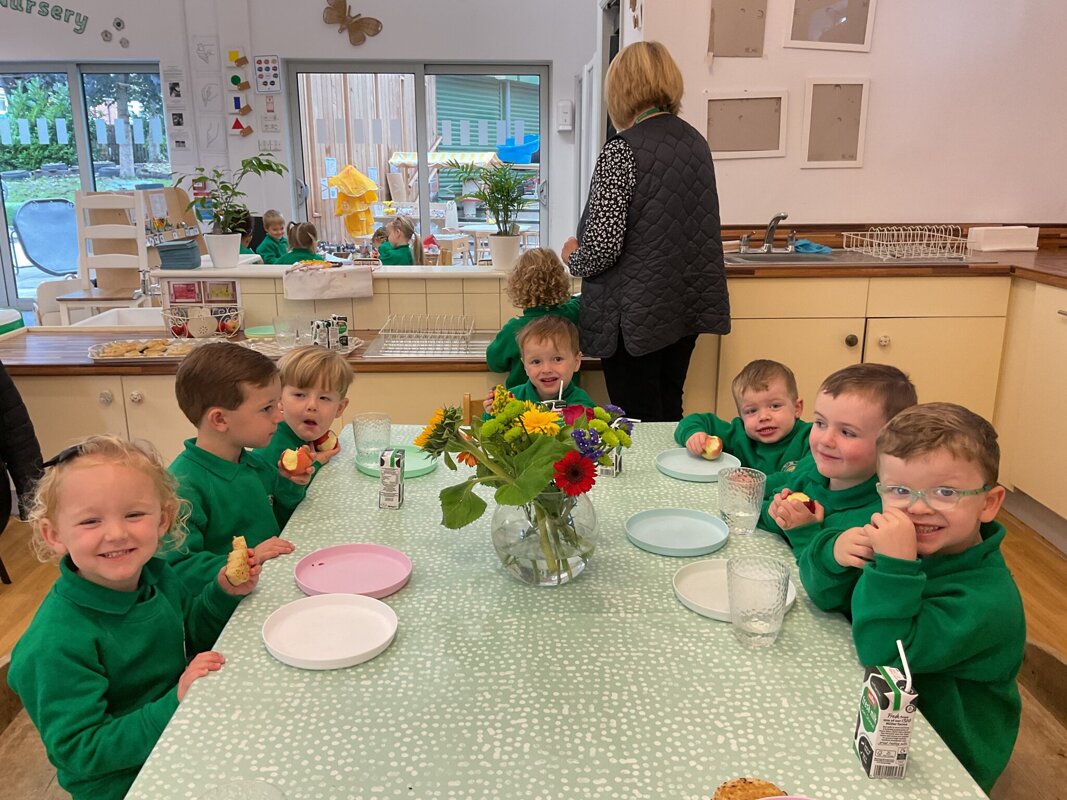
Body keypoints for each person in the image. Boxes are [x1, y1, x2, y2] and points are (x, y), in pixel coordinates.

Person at [8, 435, 259, 800]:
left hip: (181, 731)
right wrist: (176, 702)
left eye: (134, 514)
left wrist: (221, 592)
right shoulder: (54, 643)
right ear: (54, 534)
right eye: (91, 521)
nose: (116, 533)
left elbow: (189, 634)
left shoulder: (157, 576)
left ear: (163, 519)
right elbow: (82, 751)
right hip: (125, 782)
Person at [817, 403, 1023, 793]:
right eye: (898, 490)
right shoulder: (910, 541)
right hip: (880, 729)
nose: (917, 507)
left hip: (943, 764)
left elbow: (884, 654)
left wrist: (894, 567)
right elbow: (826, 594)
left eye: (945, 492)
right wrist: (834, 550)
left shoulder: (988, 602)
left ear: (989, 503)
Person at [561, 41, 729, 422]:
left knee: (633, 417)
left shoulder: (622, 150)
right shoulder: (695, 143)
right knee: (669, 405)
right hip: (684, 306)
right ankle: (672, 481)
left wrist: (572, 254)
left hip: (633, 316)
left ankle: (644, 484)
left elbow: (603, 248)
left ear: (621, 91)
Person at [166, 342, 309, 590]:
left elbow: (283, 524)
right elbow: (179, 568)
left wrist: (290, 484)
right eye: (267, 408)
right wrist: (252, 557)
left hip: (269, 583)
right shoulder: (181, 487)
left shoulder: (254, 463)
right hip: (226, 610)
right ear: (220, 419)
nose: (279, 416)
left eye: (277, 405)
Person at [758, 363, 917, 556]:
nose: (826, 440)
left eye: (847, 432)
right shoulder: (812, 467)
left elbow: (827, 585)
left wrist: (803, 532)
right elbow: (767, 506)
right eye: (820, 423)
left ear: (891, 444)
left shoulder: (877, 518)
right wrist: (776, 511)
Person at [674, 359, 811, 474]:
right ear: (741, 416)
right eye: (751, 411)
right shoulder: (739, 435)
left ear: (797, 408)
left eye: (775, 406)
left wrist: (754, 485)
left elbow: (801, 479)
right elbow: (693, 421)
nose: (763, 417)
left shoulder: (811, 438)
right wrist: (695, 435)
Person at [251, 345, 351, 496]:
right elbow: (284, 509)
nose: (312, 406)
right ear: (279, 399)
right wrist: (316, 463)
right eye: (300, 395)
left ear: (339, 408)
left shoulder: (302, 433)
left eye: (324, 398)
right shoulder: (271, 445)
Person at [486, 247, 581, 390]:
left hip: (522, 406)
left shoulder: (513, 329)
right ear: (561, 280)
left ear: (517, 286)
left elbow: (494, 363)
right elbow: (580, 300)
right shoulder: (573, 313)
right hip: (565, 404)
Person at [484, 316, 593, 411]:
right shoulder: (513, 397)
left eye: (557, 359)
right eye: (536, 361)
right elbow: (485, 431)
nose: (546, 369)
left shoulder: (582, 405)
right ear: (525, 366)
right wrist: (493, 413)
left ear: (576, 362)